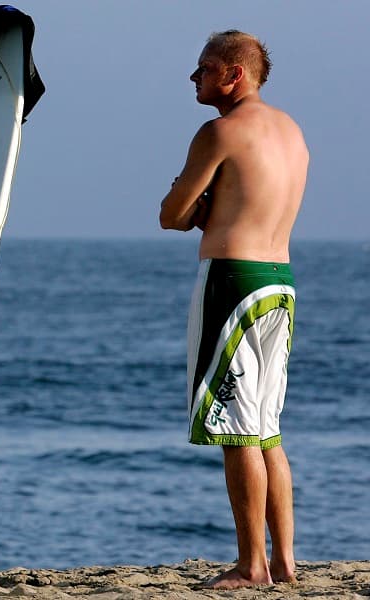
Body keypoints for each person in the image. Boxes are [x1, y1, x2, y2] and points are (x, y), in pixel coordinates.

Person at [158, 30, 308, 589]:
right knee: (267, 430)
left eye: (204, 68)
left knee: (237, 430)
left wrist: (193, 207)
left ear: (233, 74)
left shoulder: (219, 131)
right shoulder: (291, 132)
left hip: (233, 280)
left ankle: (251, 565)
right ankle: (284, 563)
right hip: (280, 282)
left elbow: (171, 215)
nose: (194, 77)